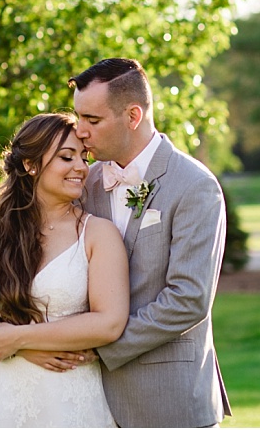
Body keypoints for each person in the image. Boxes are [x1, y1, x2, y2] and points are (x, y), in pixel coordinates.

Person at [71, 57, 231, 428]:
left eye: (91, 120)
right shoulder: (85, 184)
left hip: (168, 401)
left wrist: (96, 343)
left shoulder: (195, 187)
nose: (79, 131)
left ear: (133, 116)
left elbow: (188, 299)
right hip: (87, 403)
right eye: (78, 117)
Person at [0, 112, 129, 428]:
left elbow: (109, 322)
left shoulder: (98, 234)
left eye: (83, 157)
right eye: (66, 157)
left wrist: (20, 338)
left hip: (68, 398)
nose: (81, 167)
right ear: (30, 165)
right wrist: (20, 349)